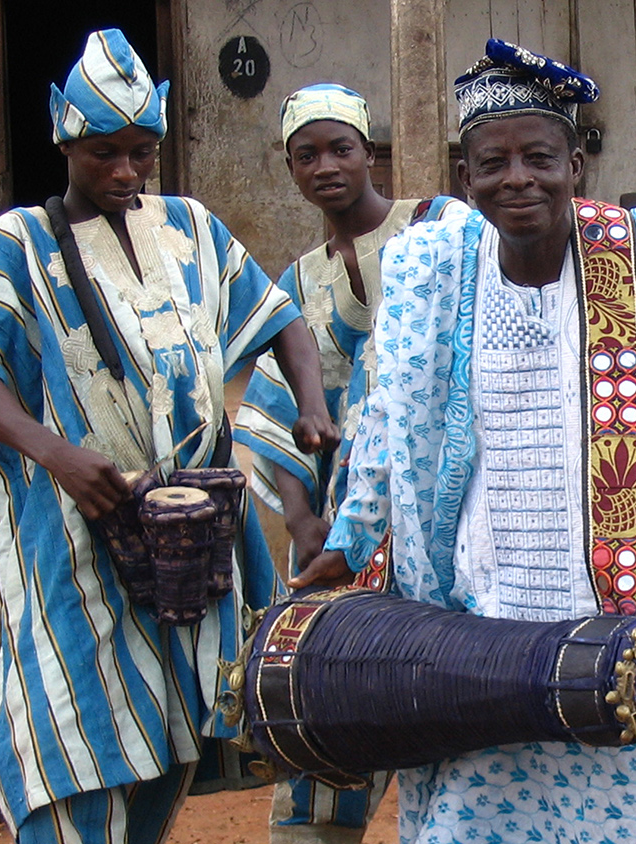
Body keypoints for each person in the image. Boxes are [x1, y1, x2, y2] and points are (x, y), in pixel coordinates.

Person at [294, 39, 636, 844]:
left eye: (539, 157)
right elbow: (386, 424)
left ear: (577, 164)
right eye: (494, 163)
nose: (518, 178)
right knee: (487, 795)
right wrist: (351, 541)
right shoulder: (434, 273)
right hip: (484, 612)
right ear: (464, 177)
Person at [0, 29, 338, 843]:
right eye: (103, 154)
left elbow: (281, 318)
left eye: (141, 154)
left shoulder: (190, 227)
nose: (124, 173)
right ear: (64, 141)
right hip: (74, 532)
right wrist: (57, 454)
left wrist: (312, 403)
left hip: (194, 532)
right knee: (73, 726)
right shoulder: (19, 244)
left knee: (174, 729)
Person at [234, 82, 464, 844]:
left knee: (452, 696)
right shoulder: (297, 282)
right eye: (308, 155)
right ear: (290, 169)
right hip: (347, 536)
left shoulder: (437, 229)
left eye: (341, 148)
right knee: (328, 697)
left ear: (371, 152)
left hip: (442, 521)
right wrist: (302, 520)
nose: (326, 165)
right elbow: (271, 409)